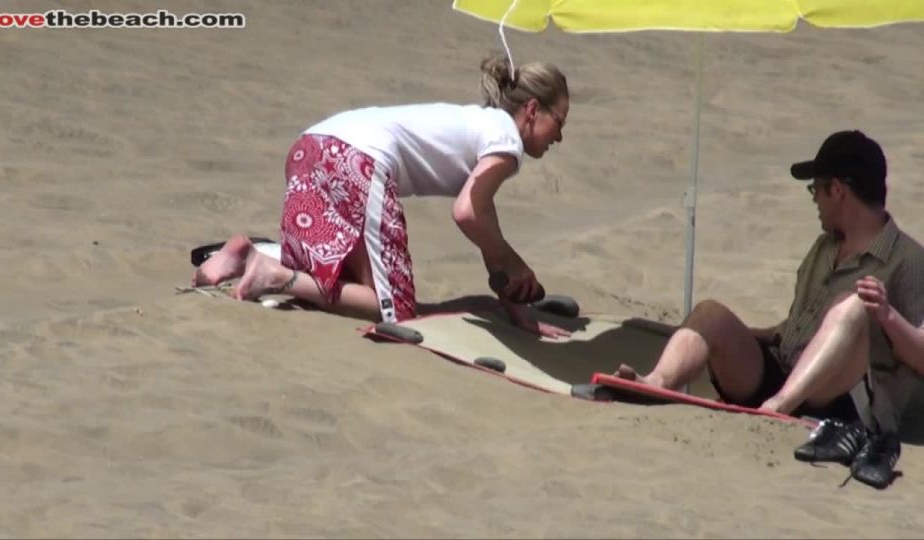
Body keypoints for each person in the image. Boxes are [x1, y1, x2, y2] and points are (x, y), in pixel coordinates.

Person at [192, 55, 571, 338]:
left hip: (312, 146)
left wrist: (516, 309)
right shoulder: (506, 139)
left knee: (337, 274)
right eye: (559, 122)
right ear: (533, 110)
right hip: (360, 160)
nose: (559, 137)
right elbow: (468, 213)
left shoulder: (483, 126)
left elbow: (485, 226)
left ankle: (244, 257)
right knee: (396, 311)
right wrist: (515, 262)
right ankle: (273, 274)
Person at [614, 130, 924, 437]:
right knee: (711, 314)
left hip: (844, 402)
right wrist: (737, 335)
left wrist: (887, 316)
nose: (814, 198)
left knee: (852, 307)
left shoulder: (908, 261)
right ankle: (657, 382)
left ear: (838, 190)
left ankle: (779, 405)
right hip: (786, 372)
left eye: (815, 189)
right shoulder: (824, 247)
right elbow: (803, 327)